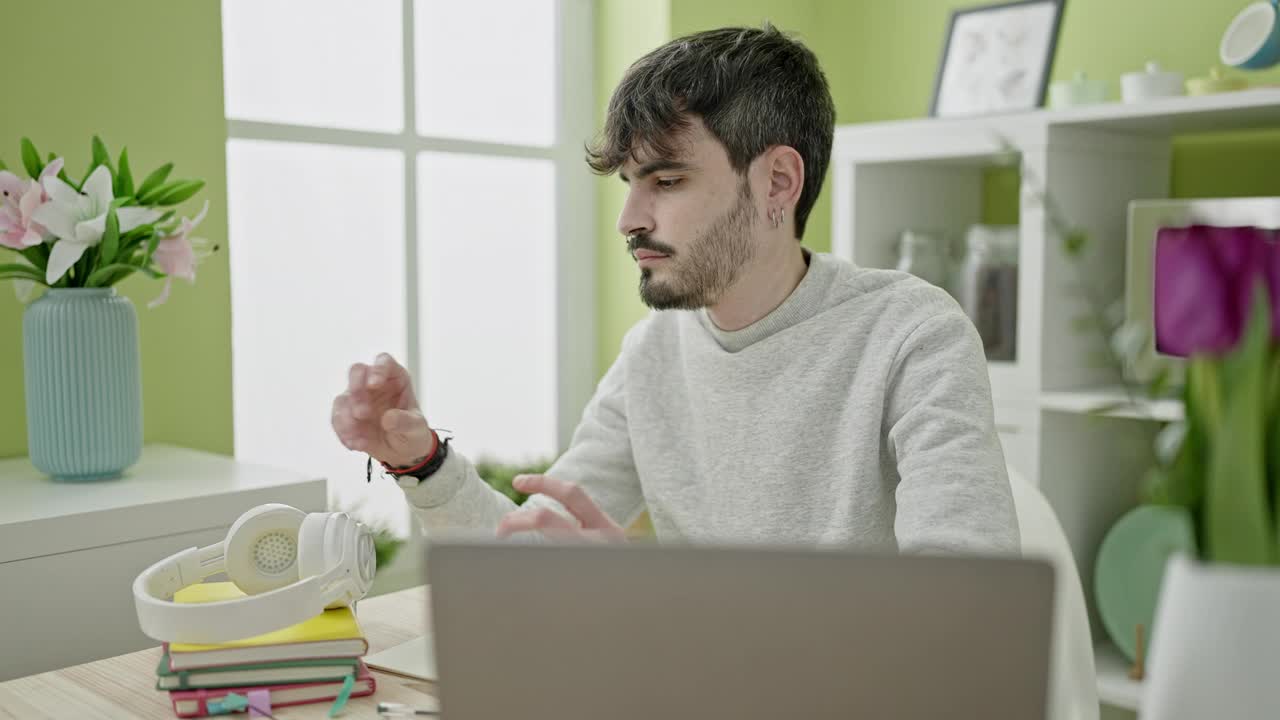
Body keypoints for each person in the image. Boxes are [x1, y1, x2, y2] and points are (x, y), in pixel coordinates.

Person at [331, 23, 1019, 554]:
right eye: (629, 185)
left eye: (666, 181)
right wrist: (420, 462)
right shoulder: (653, 355)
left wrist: (650, 604)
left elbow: (968, 611)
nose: (630, 221)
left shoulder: (913, 336)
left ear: (777, 183)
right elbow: (536, 553)